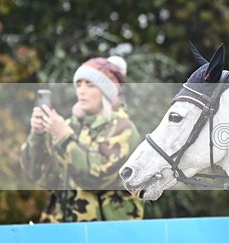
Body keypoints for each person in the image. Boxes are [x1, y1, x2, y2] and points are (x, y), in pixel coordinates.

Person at [20, 56, 145, 223]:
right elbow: (41, 176)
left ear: (106, 91)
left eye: (90, 85)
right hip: (61, 228)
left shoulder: (123, 128)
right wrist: (37, 135)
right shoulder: (69, 126)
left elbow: (96, 179)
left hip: (107, 233)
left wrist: (64, 137)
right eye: (79, 84)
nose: (81, 90)